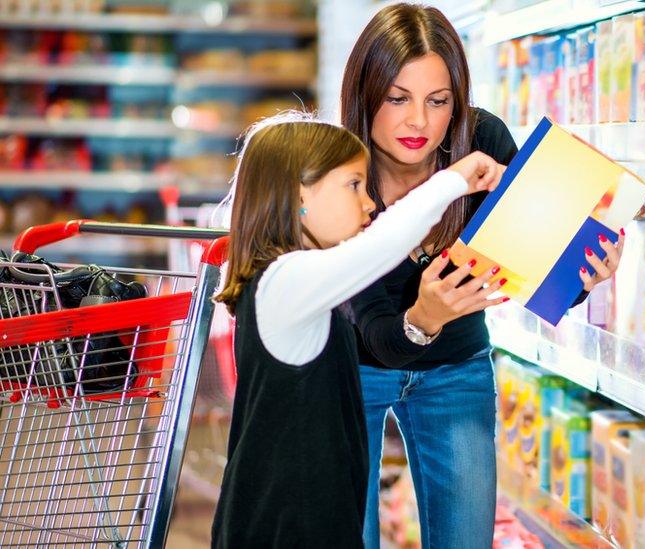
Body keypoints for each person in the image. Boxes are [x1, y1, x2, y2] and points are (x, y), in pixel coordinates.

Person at [340, 5, 624, 548]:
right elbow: (376, 334)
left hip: (455, 367)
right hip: (351, 368)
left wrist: (583, 275)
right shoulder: (339, 171)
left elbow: (532, 267)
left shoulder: (483, 138)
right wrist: (423, 318)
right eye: (397, 98)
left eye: (438, 101)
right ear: (364, 93)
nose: (418, 121)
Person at [209, 110, 505, 548]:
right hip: (283, 529)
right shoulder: (285, 282)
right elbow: (382, 245)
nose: (369, 203)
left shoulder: (299, 285)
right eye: (353, 185)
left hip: (306, 521)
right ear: (297, 195)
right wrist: (454, 179)